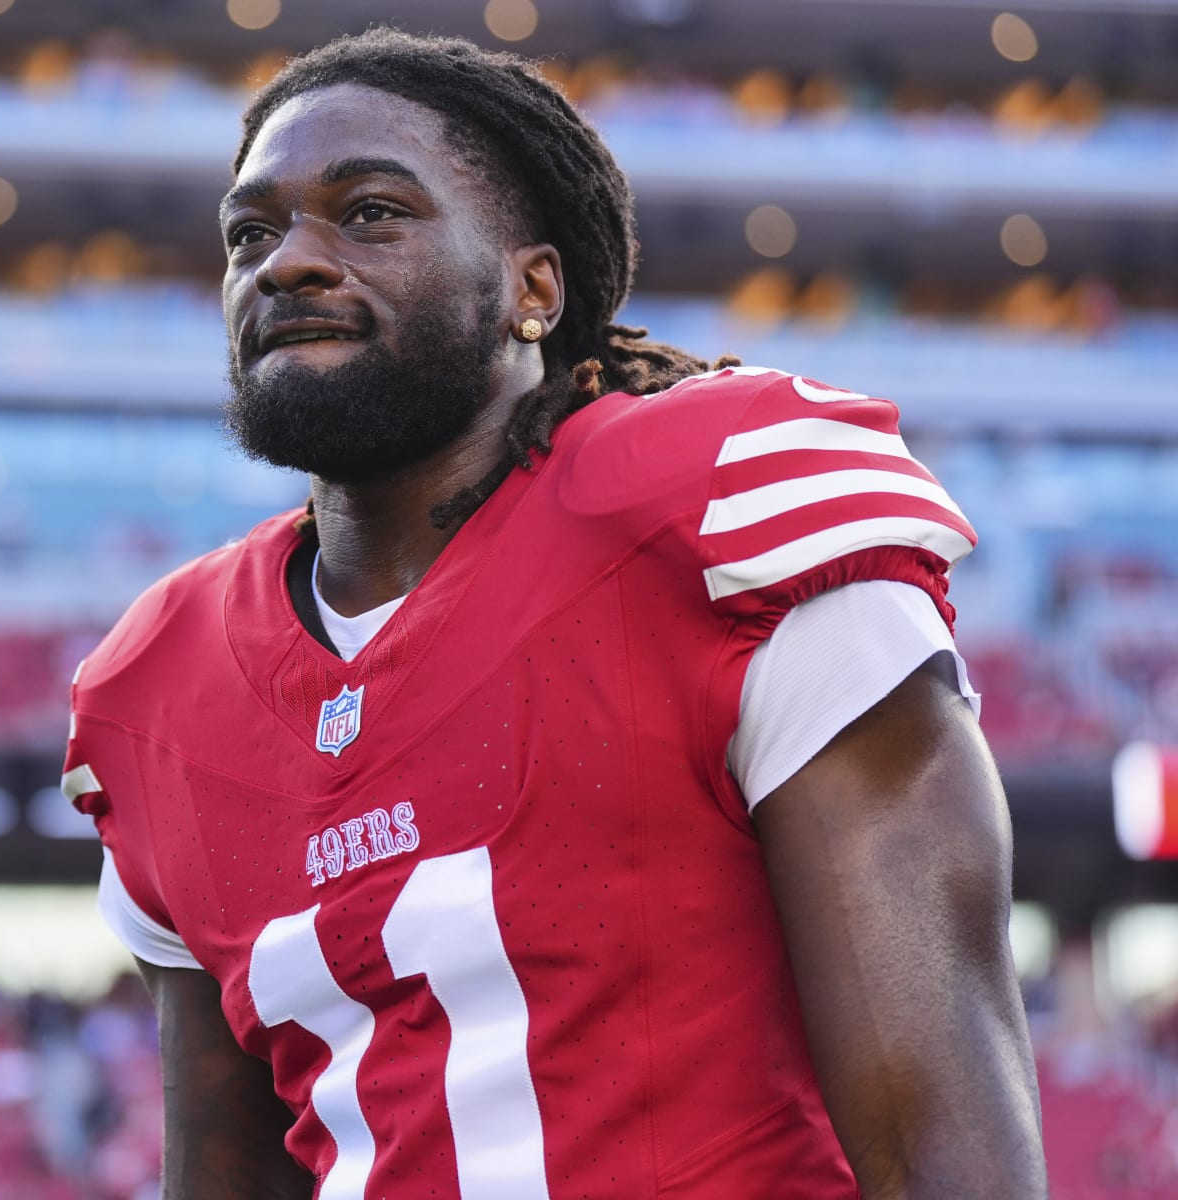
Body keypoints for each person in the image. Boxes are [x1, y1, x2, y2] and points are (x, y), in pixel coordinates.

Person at [63, 28, 1045, 1199]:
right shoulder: (162, 688)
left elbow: (944, 1145)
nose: (288, 264)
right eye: (250, 234)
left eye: (369, 214)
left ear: (536, 286)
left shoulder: (718, 517)